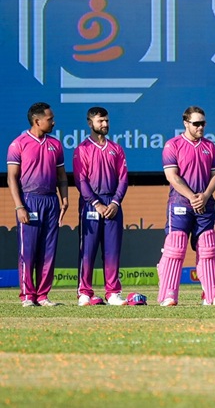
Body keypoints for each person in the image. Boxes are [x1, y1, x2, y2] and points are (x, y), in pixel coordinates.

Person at [158, 106, 215, 306]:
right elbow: (172, 176)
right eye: (196, 124)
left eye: (203, 123)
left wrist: (205, 196)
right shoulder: (172, 145)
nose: (200, 127)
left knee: (208, 248)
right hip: (180, 204)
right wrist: (192, 197)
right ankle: (168, 295)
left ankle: (212, 295)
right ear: (186, 123)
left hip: (205, 204)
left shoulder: (209, 146)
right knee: (175, 247)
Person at [8, 102, 69, 306]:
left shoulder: (56, 144)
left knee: (48, 250)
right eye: (50, 119)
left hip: (51, 201)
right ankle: (27, 296)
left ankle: (43, 296)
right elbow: (12, 178)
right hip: (29, 200)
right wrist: (19, 206)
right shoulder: (18, 144)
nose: (53, 122)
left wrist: (64, 199)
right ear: (37, 121)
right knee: (28, 251)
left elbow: (62, 176)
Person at [72, 106, 129, 306]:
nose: (104, 124)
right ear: (90, 123)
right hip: (91, 205)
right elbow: (80, 180)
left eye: (106, 120)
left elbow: (123, 178)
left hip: (113, 205)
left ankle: (113, 293)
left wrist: (115, 202)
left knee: (112, 251)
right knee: (87, 251)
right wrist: (96, 203)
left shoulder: (116, 149)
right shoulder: (82, 149)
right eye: (100, 121)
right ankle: (84, 293)